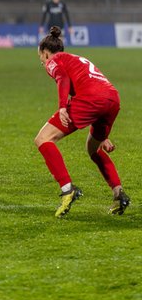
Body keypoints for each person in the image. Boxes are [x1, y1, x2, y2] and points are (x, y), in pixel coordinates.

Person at [34, 26, 130, 218]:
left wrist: (62, 107)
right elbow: (91, 84)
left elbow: (62, 77)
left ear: (45, 53)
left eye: (40, 57)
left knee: (43, 139)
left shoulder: (53, 60)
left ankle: (67, 189)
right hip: (112, 99)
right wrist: (104, 135)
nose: (42, 61)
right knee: (93, 148)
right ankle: (119, 194)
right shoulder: (75, 58)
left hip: (92, 99)